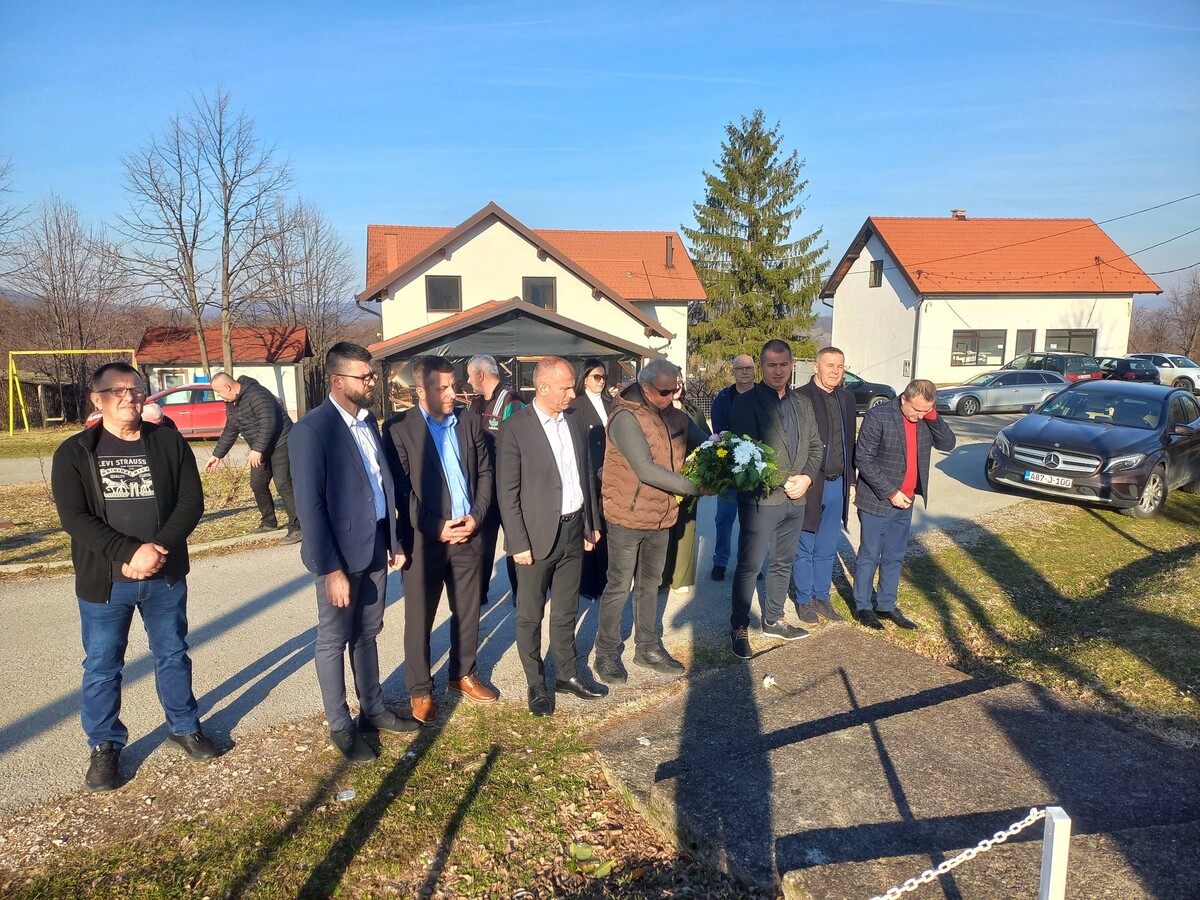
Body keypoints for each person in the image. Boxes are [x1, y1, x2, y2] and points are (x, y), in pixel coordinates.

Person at [51, 362, 215, 793]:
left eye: (136, 389)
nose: (130, 397)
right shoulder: (74, 452)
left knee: (173, 653)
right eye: (118, 390)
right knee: (103, 666)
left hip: (164, 574)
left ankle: (184, 726)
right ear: (97, 399)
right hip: (105, 582)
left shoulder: (167, 441)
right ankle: (105, 745)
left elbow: (191, 501)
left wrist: (156, 549)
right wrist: (128, 552)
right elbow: (74, 518)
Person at [289, 343, 416, 764]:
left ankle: (373, 709)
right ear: (337, 380)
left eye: (371, 375)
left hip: (375, 545)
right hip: (339, 556)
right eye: (364, 377)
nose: (372, 382)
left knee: (368, 632)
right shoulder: (312, 430)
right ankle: (340, 724)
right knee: (333, 638)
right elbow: (310, 507)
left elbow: (382, 486)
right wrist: (331, 569)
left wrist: (394, 541)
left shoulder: (368, 422)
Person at [383, 356, 498, 726]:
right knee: (419, 617)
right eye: (442, 387)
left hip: (469, 534)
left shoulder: (469, 421)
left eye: (453, 385)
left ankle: (462, 674)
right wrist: (436, 527)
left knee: (468, 610)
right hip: (425, 540)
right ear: (421, 391)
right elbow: (401, 491)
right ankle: (420, 690)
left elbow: (485, 472)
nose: (452, 393)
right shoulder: (399, 428)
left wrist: (476, 516)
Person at [497, 356, 606, 716]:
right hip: (535, 538)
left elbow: (585, 475)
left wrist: (590, 523)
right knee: (530, 616)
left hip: (574, 530)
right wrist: (518, 543)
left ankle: (566, 674)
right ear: (542, 387)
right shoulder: (515, 428)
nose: (572, 394)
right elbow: (507, 492)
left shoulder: (573, 420)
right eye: (565, 388)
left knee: (566, 610)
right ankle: (536, 684)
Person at [593, 360, 708, 685]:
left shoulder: (676, 416)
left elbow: (706, 443)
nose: (671, 396)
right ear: (645, 387)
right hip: (627, 516)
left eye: (676, 390)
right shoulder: (626, 418)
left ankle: (647, 647)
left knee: (650, 584)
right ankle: (606, 652)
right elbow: (645, 469)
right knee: (619, 586)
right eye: (664, 391)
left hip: (661, 515)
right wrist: (694, 487)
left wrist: (731, 451)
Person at [727, 340, 825, 660]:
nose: (778, 371)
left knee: (783, 562)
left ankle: (774, 619)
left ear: (792, 364)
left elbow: (816, 446)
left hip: (796, 499)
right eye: (771, 365)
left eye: (784, 364)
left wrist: (807, 478)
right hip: (761, 500)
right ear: (761, 366)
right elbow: (748, 454)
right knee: (750, 565)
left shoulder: (802, 404)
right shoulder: (746, 403)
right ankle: (739, 625)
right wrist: (785, 481)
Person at [851, 379, 956, 631]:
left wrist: (932, 415)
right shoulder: (878, 416)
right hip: (878, 500)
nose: (919, 416)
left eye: (925, 410)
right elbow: (863, 458)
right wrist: (891, 492)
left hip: (906, 501)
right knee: (869, 556)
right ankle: (863, 607)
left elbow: (948, 444)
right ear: (904, 398)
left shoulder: (926, 418)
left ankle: (886, 605)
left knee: (895, 556)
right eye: (916, 409)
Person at [789, 347, 858, 627]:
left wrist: (851, 481)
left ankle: (822, 597)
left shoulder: (846, 398)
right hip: (810, 484)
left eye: (840, 366)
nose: (835, 371)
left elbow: (849, 443)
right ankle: (804, 600)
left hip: (838, 483)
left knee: (828, 546)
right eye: (830, 365)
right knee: (805, 545)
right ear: (816, 367)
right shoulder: (800, 398)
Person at [205, 372, 300, 545]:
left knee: (283, 484)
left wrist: (257, 449)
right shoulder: (232, 403)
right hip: (261, 448)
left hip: (281, 443)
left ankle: (298, 527)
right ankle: (269, 522)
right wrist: (217, 455)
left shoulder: (257, 394)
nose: (218, 395)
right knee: (257, 483)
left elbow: (268, 423)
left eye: (218, 391)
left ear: (227, 386)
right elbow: (231, 429)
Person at [466, 355, 523, 605]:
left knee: (514, 542)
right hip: (483, 488)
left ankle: (521, 595)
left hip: (507, 488)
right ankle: (478, 595)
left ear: (480, 375)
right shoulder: (475, 404)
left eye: (470, 375)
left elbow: (521, 446)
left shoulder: (512, 401)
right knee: (481, 544)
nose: (468, 381)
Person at [708, 354, 756, 581]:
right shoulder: (722, 398)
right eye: (740, 368)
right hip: (728, 468)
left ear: (754, 370)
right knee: (724, 517)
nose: (744, 372)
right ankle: (720, 561)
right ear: (733, 371)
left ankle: (750, 563)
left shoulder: (763, 396)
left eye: (748, 368)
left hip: (756, 469)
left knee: (752, 521)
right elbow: (719, 431)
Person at [660, 375, 710, 594]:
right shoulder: (658, 410)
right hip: (666, 476)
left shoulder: (692, 410)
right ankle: (660, 577)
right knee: (663, 529)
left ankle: (679, 578)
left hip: (691, 476)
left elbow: (707, 439)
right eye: (674, 382)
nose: (677, 386)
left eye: (680, 382)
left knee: (686, 527)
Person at [567, 358, 612, 601]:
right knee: (588, 527)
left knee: (604, 527)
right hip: (587, 471)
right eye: (597, 376)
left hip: (610, 473)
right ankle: (587, 584)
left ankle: (604, 580)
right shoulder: (576, 406)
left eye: (604, 377)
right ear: (584, 379)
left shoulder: (610, 403)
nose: (601, 381)